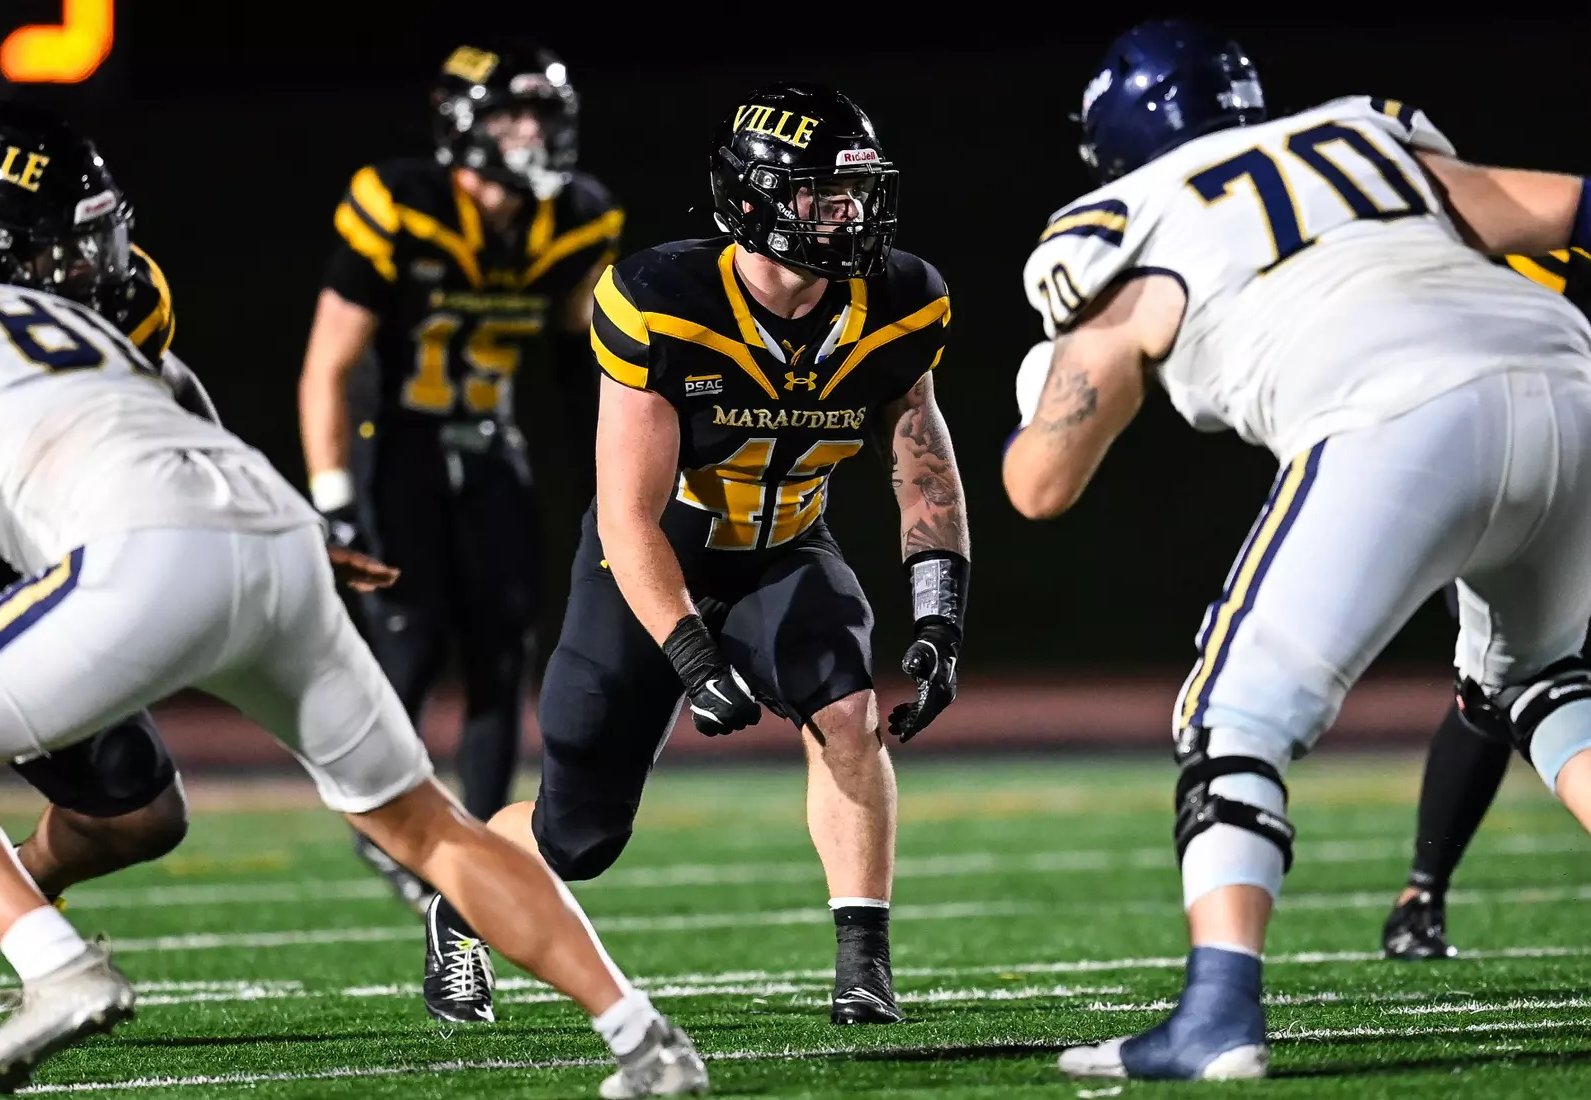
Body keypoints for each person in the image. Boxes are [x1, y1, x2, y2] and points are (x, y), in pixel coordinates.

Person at [0, 133, 704, 1099]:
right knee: (430, 828)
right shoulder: (98, 318)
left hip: (143, 552)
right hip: (271, 531)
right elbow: (182, 418)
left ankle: (56, 967)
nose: (85, 262)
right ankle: (646, 1041)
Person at [1002, 19, 1591, 1082]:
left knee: (1232, 715)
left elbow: (1040, 485)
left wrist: (1037, 400)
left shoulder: (1120, 222)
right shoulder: (1366, 135)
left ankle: (1217, 1012)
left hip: (1392, 411)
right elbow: (1564, 206)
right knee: (1548, 683)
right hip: (1565, 374)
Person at [487, 82, 972, 1028]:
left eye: (857, 192)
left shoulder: (902, 302)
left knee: (848, 707)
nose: (849, 214)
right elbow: (627, 516)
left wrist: (940, 616)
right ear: (753, 199)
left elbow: (926, 474)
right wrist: (692, 655)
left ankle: (864, 962)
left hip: (787, 543)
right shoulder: (661, 300)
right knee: (580, 835)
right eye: (823, 194)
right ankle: (459, 900)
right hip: (655, 554)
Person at [296, 40, 622, 1004]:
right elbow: (329, 360)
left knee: (500, 660)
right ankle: (384, 820)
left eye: (542, 114)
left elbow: (580, 363)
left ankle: (471, 873)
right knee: (407, 650)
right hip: (395, 448)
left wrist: (622, 467)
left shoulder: (576, 215)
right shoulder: (402, 199)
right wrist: (335, 497)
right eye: (513, 114)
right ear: (464, 122)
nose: (534, 134)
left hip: (491, 449)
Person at [0, 103, 217, 913]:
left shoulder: (120, 303)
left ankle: (14, 898)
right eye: (55, 250)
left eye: (94, 240)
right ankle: (44, 955)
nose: (89, 269)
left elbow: (171, 385)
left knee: (137, 811)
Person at [1380, 248, 1591, 960]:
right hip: (1515, 453)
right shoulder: (1491, 241)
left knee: (1502, 686)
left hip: (1511, 451)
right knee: (1501, 687)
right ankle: (1421, 891)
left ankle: (1420, 894)